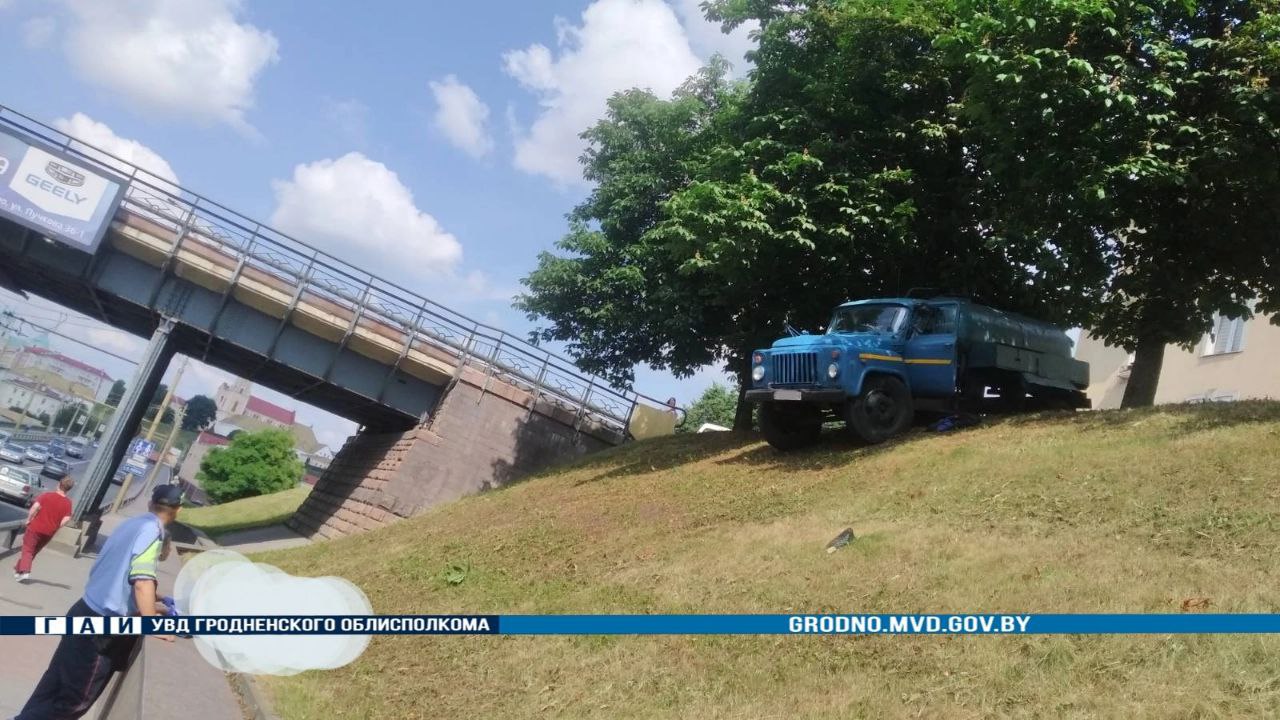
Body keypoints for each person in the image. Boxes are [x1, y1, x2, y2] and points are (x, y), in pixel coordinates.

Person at [15, 484, 183, 720]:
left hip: (83, 609)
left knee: (52, 685)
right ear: (179, 510)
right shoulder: (152, 531)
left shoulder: (132, 524)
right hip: (99, 629)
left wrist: (157, 599)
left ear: (150, 503)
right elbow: (142, 581)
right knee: (73, 701)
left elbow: (118, 573)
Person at [14, 475, 75, 582]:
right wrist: (57, 526)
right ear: (69, 489)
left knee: (27, 549)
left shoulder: (46, 495)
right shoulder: (68, 503)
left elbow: (35, 507)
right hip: (49, 532)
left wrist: (29, 519)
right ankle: (19, 571)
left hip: (35, 527)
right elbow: (66, 518)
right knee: (33, 551)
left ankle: (26, 571)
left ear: (59, 484)